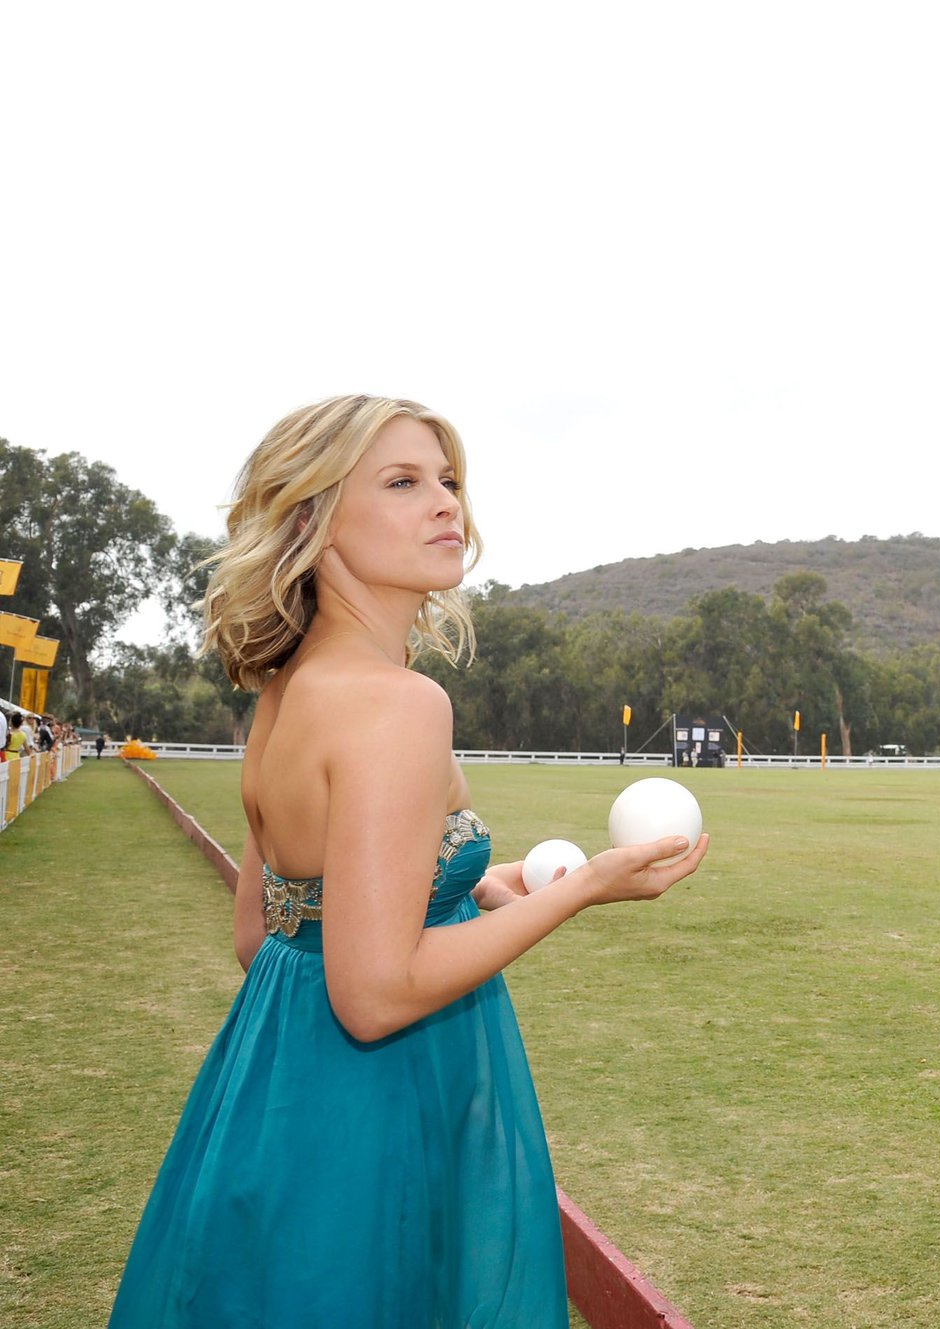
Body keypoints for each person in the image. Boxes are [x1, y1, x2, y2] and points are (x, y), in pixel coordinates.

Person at [108, 395, 710, 1328]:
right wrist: (584, 887)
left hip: (276, 1092)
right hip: (375, 1115)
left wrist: (482, 889)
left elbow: (267, 930)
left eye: (450, 481)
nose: (446, 505)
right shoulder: (400, 705)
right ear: (314, 521)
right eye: (402, 482)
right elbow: (375, 991)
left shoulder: (285, 690)